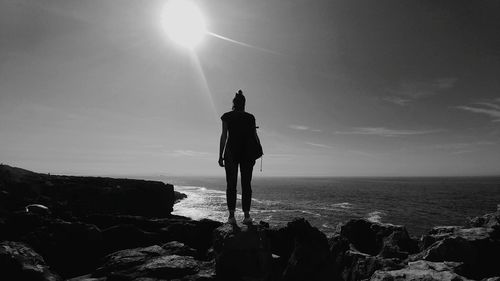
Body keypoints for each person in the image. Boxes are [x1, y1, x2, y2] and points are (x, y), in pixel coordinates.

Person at [219, 90, 257, 224]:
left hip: (231, 153)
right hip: (247, 154)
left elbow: (224, 136)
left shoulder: (227, 116)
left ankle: (231, 217)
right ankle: (247, 216)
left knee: (231, 185)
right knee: (246, 185)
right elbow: (254, 136)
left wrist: (220, 155)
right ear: (244, 103)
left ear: (234, 103)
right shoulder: (250, 117)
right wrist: (257, 152)